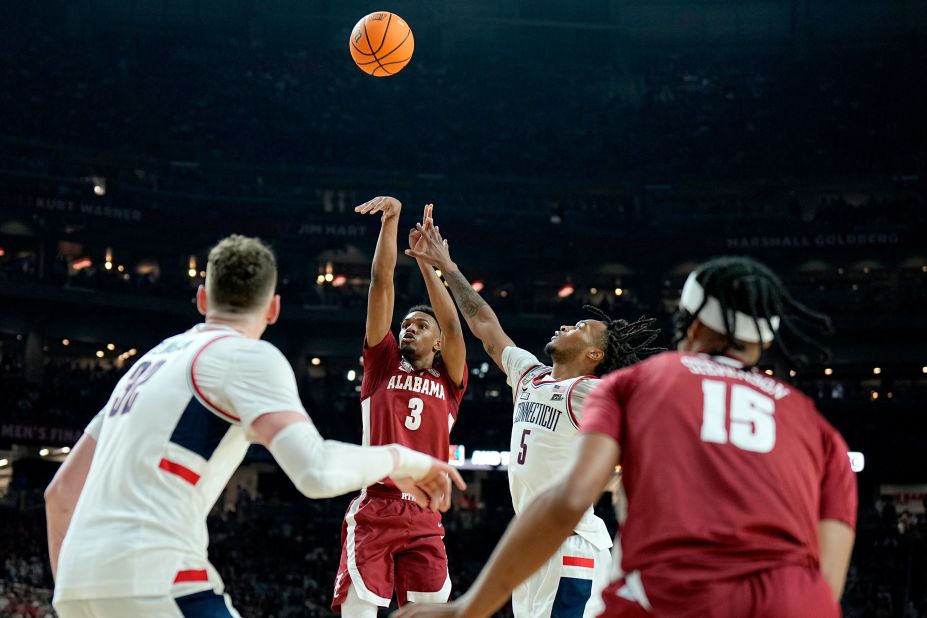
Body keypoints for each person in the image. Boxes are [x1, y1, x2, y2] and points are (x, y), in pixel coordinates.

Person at [395, 256, 857, 618]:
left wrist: (468, 609)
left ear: (690, 322)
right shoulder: (822, 431)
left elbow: (568, 500)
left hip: (641, 574)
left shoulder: (640, 384)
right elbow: (828, 581)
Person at [45, 234, 465, 618]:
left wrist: (72, 590)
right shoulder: (249, 356)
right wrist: (407, 460)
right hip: (155, 577)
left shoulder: (145, 364)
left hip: (75, 583)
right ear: (273, 308)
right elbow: (315, 472)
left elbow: (60, 494)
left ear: (201, 298)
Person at [404, 213, 660, 617]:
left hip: (573, 544)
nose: (566, 325)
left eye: (580, 327)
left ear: (594, 355)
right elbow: (485, 325)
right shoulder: (529, 375)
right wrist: (446, 266)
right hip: (533, 548)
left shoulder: (589, 391)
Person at [332, 199, 469, 617]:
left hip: (426, 515)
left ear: (438, 342)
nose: (409, 328)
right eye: (406, 324)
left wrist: (429, 265)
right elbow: (381, 283)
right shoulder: (381, 366)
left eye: (419, 325)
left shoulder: (450, 381)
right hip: (377, 505)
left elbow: (452, 324)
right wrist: (390, 221)